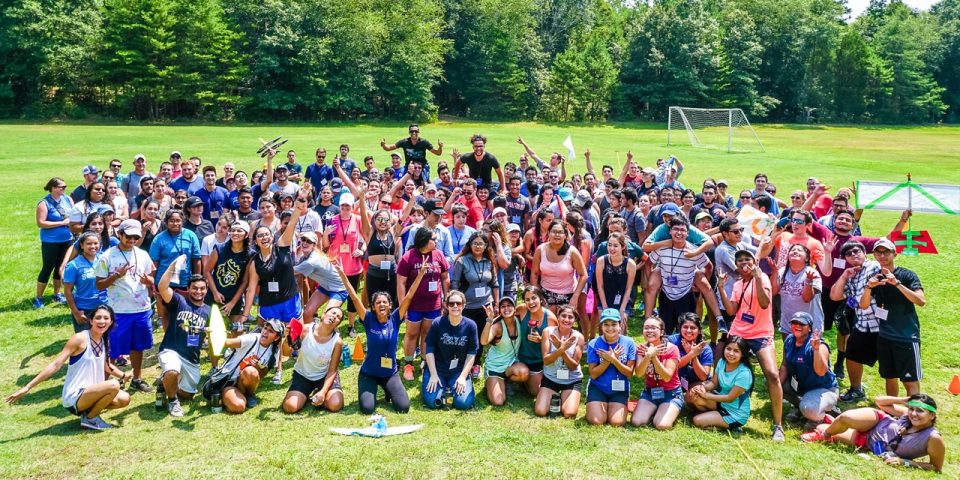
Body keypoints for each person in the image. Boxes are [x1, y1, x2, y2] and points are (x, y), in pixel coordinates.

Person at [5, 305, 132, 430]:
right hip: (75, 396)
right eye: (98, 318)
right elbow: (56, 364)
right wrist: (27, 387)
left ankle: (88, 413)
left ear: (111, 322)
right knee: (113, 385)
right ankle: (90, 419)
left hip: (91, 393)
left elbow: (106, 365)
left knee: (125, 399)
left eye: (106, 318)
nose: (102, 321)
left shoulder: (104, 339)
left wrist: (123, 375)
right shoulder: (80, 339)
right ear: (91, 320)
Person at [340, 257, 424, 414]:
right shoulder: (368, 319)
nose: (382, 305)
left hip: (389, 373)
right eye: (378, 303)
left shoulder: (395, 318)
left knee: (403, 407)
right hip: (369, 373)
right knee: (367, 409)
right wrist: (341, 273)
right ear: (373, 306)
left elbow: (409, 296)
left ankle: (388, 391)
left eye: (385, 302)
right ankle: (371, 389)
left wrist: (421, 274)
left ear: (390, 305)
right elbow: (354, 297)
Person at [717, 248, 785, 441]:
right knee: (724, 367)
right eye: (740, 261)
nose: (744, 263)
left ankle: (778, 425)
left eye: (748, 259)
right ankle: (730, 414)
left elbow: (765, 304)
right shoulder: (738, 284)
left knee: (772, 374)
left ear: (754, 262)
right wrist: (721, 287)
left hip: (761, 333)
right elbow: (731, 310)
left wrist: (756, 278)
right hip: (739, 331)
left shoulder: (762, 278)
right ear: (736, 266)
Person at [242, 196, 305, 384]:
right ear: (255, 241)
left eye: (266, 234)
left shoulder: (282, 246)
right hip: (270, 304)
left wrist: (299, 204)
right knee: (275, 336)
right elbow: (252, 287)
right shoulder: (255, 262)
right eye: (259, 236)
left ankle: (300, 364)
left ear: (271, 235)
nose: (264, 238)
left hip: (290, 299)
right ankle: (277, 369)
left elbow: (292, 222)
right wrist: (246, 314)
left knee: (295, 333)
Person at [802, 394, 945, 473]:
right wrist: (903, 400)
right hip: (875, 422)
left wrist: (905, 462)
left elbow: (935, 467)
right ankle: (825, 435)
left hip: (866, 441)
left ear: (932, 416)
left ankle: (831, 423)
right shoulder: (906, 415)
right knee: (846, 417)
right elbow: (879, 402)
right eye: (911, 409)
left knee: (823, 426)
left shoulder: (933, 438)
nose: (914, 414)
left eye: (920, 411)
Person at [859, 237, 926, 396]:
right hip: (884, 336)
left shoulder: (907, 275)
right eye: (878, 252)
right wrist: (869, 287)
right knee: (889, 377)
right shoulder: (875, 277)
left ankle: (914, 414)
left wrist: (897, 283)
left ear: (894, 254)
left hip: (906, 337)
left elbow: (921, 301)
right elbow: (863, 305)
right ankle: (892, 414)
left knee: (910, 381)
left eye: (886, 252)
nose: (882, 256)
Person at [94, 219, 155, 393]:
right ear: (120, 234)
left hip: (142, 309)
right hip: (119, 311)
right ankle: (114, 381)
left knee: (138, 346)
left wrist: (148, 281)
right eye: (128, 237)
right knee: (114, 348)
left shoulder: (143, 254)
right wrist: (116, 276)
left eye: (135, 237)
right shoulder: (107, 256)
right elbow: (99, 285)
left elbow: (152, 279)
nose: (132, 241)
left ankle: (137, 378)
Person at [155, 260, 211, 417]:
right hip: (171, 349)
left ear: (206, 290)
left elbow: (213, 337)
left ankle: (165, 385)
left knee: (188, 395)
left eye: (202, 288)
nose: (198, 291)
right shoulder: (179, 301)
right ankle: (172, 401)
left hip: (191, 358)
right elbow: (162, 287)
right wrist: (173, 265)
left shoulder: (209, 311)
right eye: (194, 288)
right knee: (172, 370)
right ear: (188, 289)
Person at [396, 228, 451, 381]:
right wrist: (403, 305)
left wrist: (446, 298)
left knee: (427, 334)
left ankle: (425, 363)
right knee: (412, 333)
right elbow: (401, 283)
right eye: (434, 238)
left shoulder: (438, 255)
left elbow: (445, 277)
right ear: (425, 240)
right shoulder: (409, 257)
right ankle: (408, 364)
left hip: (433, 305)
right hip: (413, 305)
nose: (437, 241)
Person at [451, 231, 499, 377]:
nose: (478, 246)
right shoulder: (462, 261)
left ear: (486, 246)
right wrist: (454, 301)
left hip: (485, 304)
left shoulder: (489, 262)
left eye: (481, 244)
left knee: (480, 335)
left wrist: (496, 303)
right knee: (464, 335)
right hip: (467, 305)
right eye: (475, 243)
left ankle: (476, 363)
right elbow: (455, 283)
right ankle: (461, 362)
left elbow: (494, 284)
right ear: (470, 245)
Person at [780, 312, 839, 430]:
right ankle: (800, 407)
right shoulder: (789, 340)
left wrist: (816, 350)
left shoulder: (819, 345)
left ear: (810, 328)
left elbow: (821, 372)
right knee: (771, 381)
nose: (797, 326)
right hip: (801, 386)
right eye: (794, 323)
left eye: (802, 324)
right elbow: (784, 365)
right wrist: (776, 385)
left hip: (823, 390)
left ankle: (819, 417)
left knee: (809, 409)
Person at [422, 290, 479, 410]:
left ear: (464, 305)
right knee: (433, 402)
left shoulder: (471, 326)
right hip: (438, 369)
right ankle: (444, 388)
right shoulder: (437, 323)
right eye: (451, 303)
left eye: (458, 303)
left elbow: (471, 354)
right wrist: (433, 375)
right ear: (446, 305)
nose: (455, 306)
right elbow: (429, 350)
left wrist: (463, 377)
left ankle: (450, 388)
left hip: (458, 371)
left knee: (464, 403)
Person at [282, 305, 344, 413]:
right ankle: (305, 395)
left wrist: (323, 392)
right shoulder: (305, 329)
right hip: (303, 375)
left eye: (338, 317)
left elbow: (332, 370)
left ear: (337, 324)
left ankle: (320, 392)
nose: (334, 317)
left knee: (335, 405)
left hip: (323, 376)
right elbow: (285, 353)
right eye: (333, 313)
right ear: (323, 315)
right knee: (290, 407)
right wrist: (287, 338)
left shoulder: (337, 341)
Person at [689, 335, 755, 433]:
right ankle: (712, 417)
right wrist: (701, 388)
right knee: (696, 398)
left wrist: (707, 395)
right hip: (721, 403)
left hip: (735, 413)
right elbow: (714, 383)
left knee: (696, 421)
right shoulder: (722, 362)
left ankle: (731, 427)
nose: (731, 353)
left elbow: (729, 398)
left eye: (736, 351)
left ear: (742, 354)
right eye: (728, 349)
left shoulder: (744, 373)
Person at [585, 309, 637, 426]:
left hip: (619, 389)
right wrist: (607, 361)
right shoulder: (594, 344)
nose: (610, 328)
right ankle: (594, 404)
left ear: (620, 325)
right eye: (606, 324)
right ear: (601, 326)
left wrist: (614, 360)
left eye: (614, 324)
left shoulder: (629, 343)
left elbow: (629, 373)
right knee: (596, 421)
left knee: (617, 422)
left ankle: (614, 406)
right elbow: (593, 374)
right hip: (598, 387)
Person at [534, 304, 584, 418]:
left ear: (575, 320)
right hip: (551, 378)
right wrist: (561, 349)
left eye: (570, 317)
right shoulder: (548, 332)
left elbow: (573, 366)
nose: (566, 319)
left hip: (571, 380)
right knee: (540, 411)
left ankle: (565, 397)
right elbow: (546, 360)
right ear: (558, 316)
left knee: (569, 414)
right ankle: (555, 395)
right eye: (563, 316)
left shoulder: (579, 337)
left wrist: (562, 350)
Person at [204, 220, 251, 332]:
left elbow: (245, 281)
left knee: (236, 331)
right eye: (233, 230)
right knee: (212, 331)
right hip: (214, 294)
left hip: (234, 296)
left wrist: (232, 303)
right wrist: (215, 293)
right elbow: (206, 271)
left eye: (239, 231)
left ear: (246, 234)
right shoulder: (219, 249)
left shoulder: (250, 254)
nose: (235, 233)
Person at [531, 220, 588, 313]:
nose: (557, 235)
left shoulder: (572, 252)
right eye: (554, 231)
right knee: (548, 324)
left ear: (565, 235)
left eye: (560, 232)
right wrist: (535, 294)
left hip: (568, 294)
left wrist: (575, 296)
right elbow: (534, 273)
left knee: (563, 325)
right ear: (548, 233)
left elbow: (583, 275)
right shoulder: (540, 249)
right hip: (546, 293)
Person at [35, 177, 75, 308]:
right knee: (48, 267)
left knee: (60, 267)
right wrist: (61, 223)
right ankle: (38, 297)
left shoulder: (68, 199)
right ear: (53, 188)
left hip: (67, 239)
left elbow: (73, 216)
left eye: (65, 187)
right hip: (50, 241)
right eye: (61, 187)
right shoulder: (44, 203)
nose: (64, 189)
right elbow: (41, 223)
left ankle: (57, 294)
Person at [294, 230, 348, 324]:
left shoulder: (311, 261)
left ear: (314, 245)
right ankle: (309, 336)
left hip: (339, 289)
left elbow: (291, 272)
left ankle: (332, 337)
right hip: (324, 287)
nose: (305, 243)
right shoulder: (305, 256)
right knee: (307, 313)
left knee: (326, 319)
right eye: (303, 240)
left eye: (309, 241)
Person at [775, 243, 825, 337]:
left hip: (810, 325)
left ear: (806, 258)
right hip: (788, 323)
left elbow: (807, 298)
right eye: (793, 250)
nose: (795, 251)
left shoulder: (812, 273)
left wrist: (809, 281)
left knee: (810, 351)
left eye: (799, 250)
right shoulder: (782, 272)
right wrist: (774, 272)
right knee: (788, 351)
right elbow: (773, 292)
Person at [481, 298, 523, 407]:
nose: (506, 308)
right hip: (494, 367)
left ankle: (504, 382)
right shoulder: (498, 326)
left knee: (524, 372)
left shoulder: (519, 321)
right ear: (500, 310)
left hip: (510, 365)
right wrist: (489, 320)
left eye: (509, 305)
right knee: (498, 402)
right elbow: (484, 341)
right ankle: (491, 382)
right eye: (503, 306)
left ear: (515, 309)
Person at [63, 232, 108, 332]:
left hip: (104, 306)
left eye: (96, 243)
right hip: (84, 309)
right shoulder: (73, 265)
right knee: (86, 343)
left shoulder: (104, 259)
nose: (93, 246)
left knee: (105, 341)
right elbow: (67, 291)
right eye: (89, 244)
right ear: (81, 245)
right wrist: (76, 312)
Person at [595, 232, 637, 337]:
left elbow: (628, 288)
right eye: (609, 245)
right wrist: (604, 307)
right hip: (605, 298)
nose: (612, 248)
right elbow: (600, 286)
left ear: (622, 247)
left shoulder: (630, 264)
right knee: (605, 330)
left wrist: (622, 309)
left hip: (623, 299)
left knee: (620, 330)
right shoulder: (601, 261)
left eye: (615, 245)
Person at [668, 313, 713, 402]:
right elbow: (672, 366)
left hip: (696, 382)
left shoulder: (705, 349)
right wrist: (691, 354)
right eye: (685, 327)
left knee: (696, 394)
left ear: (699, 330)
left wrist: (694, 357)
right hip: (674, 381)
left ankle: (683, 398)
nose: (688, 331)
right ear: (680, 328)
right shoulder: (672, 341)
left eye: (693, 328)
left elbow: (703, 376)